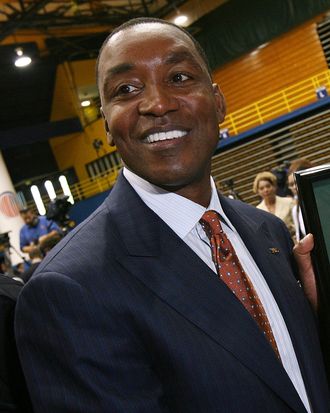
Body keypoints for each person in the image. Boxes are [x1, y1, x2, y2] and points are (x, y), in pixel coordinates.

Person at [15, 17, 329, 413]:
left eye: (179, 77)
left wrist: (322, 320)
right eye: (126, 89)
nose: (158, 104)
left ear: (218, 102)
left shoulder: (268, 232)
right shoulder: (68, 291)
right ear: (108, 125)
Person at [253, 171, 296, 239]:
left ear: (274, 186)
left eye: (268, 186)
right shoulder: (257, 211)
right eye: (261, 188)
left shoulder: (289, 202)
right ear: (258, 192)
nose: (266, 190)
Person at [287, 158, 313, 243]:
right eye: (291, 184)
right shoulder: (296, 210)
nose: (294, 187)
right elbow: (299, 238)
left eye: (296, 182)